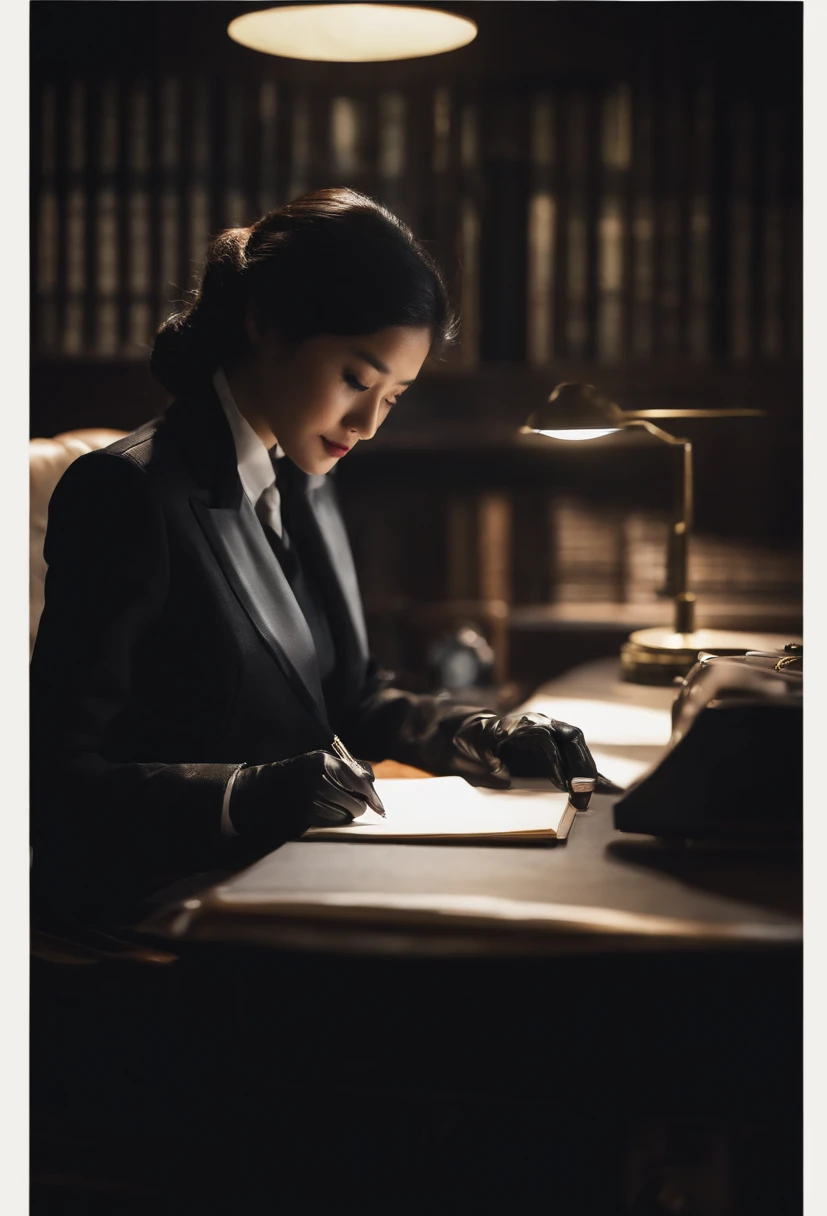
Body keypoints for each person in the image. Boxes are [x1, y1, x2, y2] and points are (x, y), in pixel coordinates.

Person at [30, 187, 609, 915]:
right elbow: (51, 780)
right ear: (264, 323)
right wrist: (245, 793)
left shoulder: (304, 479)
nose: (368, 423)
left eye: (393, 396)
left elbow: (351, 697)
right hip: (170, 901)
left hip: (309, 870)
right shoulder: (128, 491)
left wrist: (482, 735)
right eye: (357, 380)